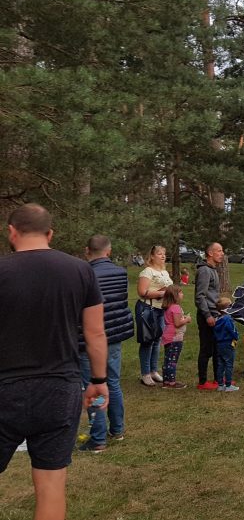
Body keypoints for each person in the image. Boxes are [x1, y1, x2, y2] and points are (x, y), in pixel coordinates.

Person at [0, 204, 108, 520]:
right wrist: (99, 380)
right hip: (59, 389)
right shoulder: (80, 270)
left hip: (5, 388)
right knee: (50, 485)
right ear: (50, 234)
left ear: (12, 232)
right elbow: (95, 332)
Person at [78, 235, 134, 453]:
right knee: (113, 381)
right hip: (114, 333)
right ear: (108, 252)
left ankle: (98, 437)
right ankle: (117, 429)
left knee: (93, 383)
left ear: (87, 250)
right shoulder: (120, 272)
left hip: (91, 337)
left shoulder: (85, 273)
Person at [136, 245, 172, 386]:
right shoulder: (147, 272)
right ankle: (145, 373)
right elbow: (142, 292)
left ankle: (153, 370)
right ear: (152, 256)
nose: (163, 256)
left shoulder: (164, 272)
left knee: (157, 340)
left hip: (160, 309)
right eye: (159, 253)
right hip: (147, 308)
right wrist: (162, 293)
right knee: (147, 340)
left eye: (164, 253)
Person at [195, 242, 225, 391]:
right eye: (219, 251)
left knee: (216, 349)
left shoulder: (213, 270)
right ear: (210, 253)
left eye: (222, 251)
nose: (222, 253)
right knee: (206, 349)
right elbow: (200, 296)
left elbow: (212, 294)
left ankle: (217, 378)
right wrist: (207, 315)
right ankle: (202, 381)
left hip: (215, 313)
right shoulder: (204, 271)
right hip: (206, 316)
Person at [160, 285, 190, 389]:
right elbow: (177, 323)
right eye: (180, 292)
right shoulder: (176, 307)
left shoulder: (169, 307)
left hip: (168, 336)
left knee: (167, 359)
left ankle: (166, 381)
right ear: (175, 295)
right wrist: (187, 319)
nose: (182, 294)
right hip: (175, 337)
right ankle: (172, 383)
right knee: (173, 360)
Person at [213, 296, 239, 392]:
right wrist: (236, 336)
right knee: (229, 364)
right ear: (227, 308)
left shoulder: (217, 319)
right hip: (228, 343)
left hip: (219, 344)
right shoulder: (228, 319)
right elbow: (232, 330)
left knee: (220, 364)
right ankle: (228, 385)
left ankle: (220, 384)